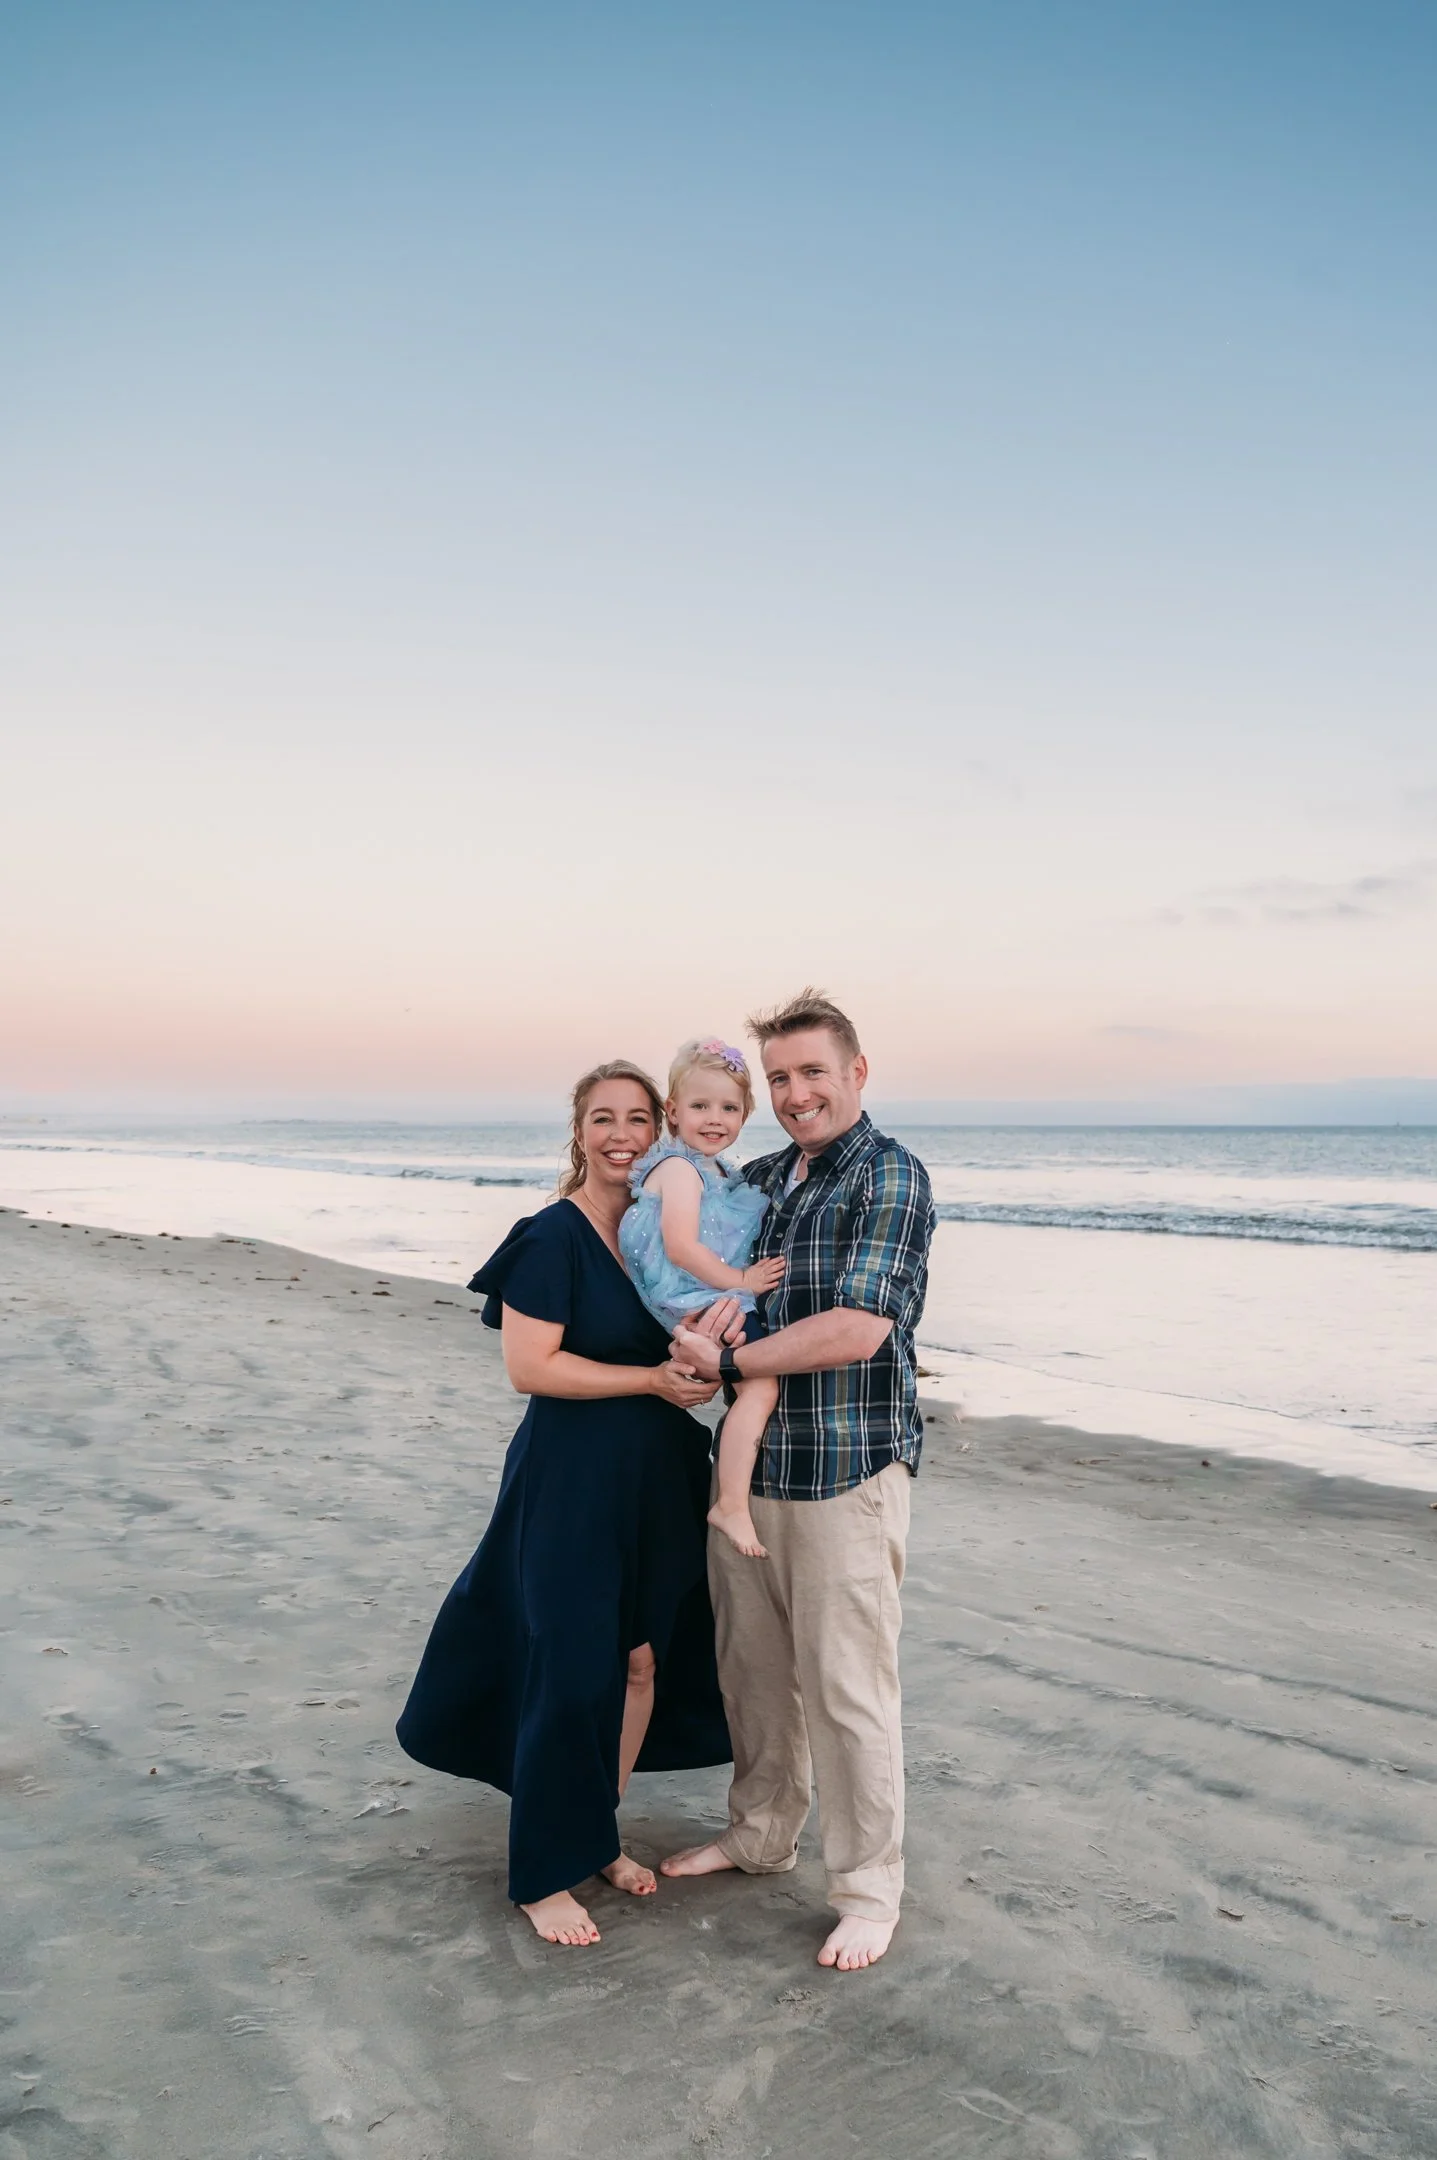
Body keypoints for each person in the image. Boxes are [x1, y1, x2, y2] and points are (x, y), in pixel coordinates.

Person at [395, 1061, 731, 1948]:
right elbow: (529, 1367)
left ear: (661, 1127)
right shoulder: (550, 1236)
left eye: (636, 1119)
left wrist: (700, 1364)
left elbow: (702, 1327)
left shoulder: (667, 1226)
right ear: (577, 1132)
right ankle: (543, 1873)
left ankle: (597, 1833)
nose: (621, 1135)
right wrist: (653, 1379)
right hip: (572, 1479)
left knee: (641, 1665)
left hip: (662, 1474)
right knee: (569, 1662)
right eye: (601, 1119)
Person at [660, 990, 936, 1974]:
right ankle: (760, 1832)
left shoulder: (891, 1177)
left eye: (813, 1072)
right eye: (779, 1078)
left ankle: (868, 1888)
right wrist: (695, 1333)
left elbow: (861, 1327)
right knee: (753, 1676)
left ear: (856, 1074)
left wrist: (732, 1363)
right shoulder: (762, 1177)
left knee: (847, 1689)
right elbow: (691, 1273)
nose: (794, 1093)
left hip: (844, 1472)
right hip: (749, 1467)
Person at [618, 1037, 784, 1558]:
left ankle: (730, 1492)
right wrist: (743, 1281)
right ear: (672, 1111)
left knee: (750, 1385)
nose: (715, 1118)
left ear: (745, 1113)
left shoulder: (716, 1173)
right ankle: (731, 1502)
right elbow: (683, 1247)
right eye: (700, 1106)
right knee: (761, 1386)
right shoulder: (681, 1171)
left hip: (700, 1296)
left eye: (729, 1108)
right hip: (694, 1294)